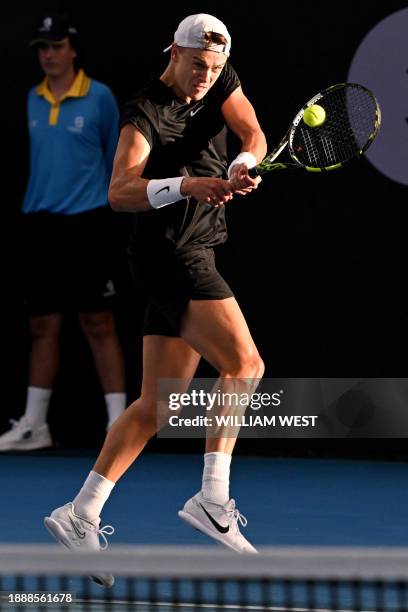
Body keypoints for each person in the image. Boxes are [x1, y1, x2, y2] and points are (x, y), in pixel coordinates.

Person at [44, 13, 267, 584]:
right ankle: (213, 499)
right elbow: (119, 192)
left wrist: (243, 165)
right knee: (245, 364)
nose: (205, 77)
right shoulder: (143, 111)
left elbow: (253, 134)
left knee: (158, 404)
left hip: (198, 248)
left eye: (215, 68)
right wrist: (188, 185)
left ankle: (80, 512)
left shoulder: (220, 78)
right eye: (197, 65)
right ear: (173, 52)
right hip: (170, 255)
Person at [0, 14, 127, 452]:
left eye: (55, 46)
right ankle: (35, 425)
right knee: (41, 324)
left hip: (88, 222)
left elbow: (116, 160)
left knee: (98, 321)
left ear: (72, 50)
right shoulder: (32, 98)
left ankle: (118, 425)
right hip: (40, 224)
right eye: (42, 48)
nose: (48, 55)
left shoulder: (100, 97)